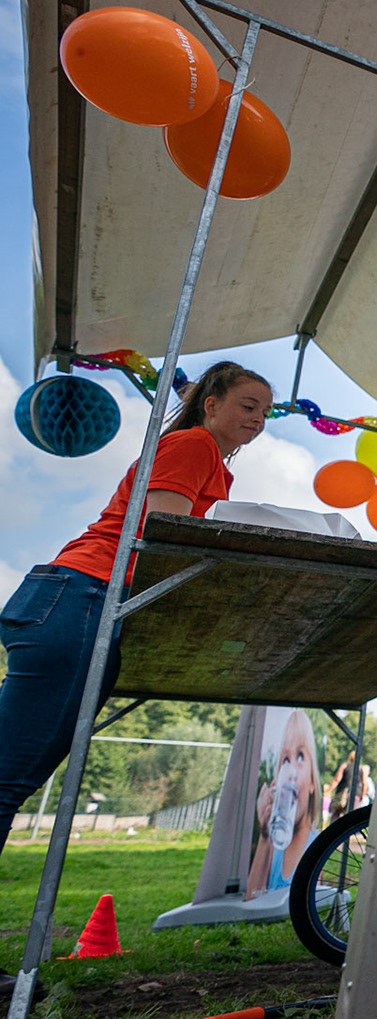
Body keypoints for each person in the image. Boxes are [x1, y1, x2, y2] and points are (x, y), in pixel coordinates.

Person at [0, 361, 274, 858]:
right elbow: (165, 529)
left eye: (266, 412)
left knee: (11, 776)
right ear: (210, 406)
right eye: (248, 406)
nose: (258, 418)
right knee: (6, 779)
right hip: (83, 595)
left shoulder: (209, 457)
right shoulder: (194, 444)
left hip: (73, 599)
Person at [247, 710, 322, 898]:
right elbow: (252, 899)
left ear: (312, 782)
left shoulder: (317, 844)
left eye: (300, 757)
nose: (291, 772)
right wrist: (264, 836)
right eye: (285, 760)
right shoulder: (275, 843)